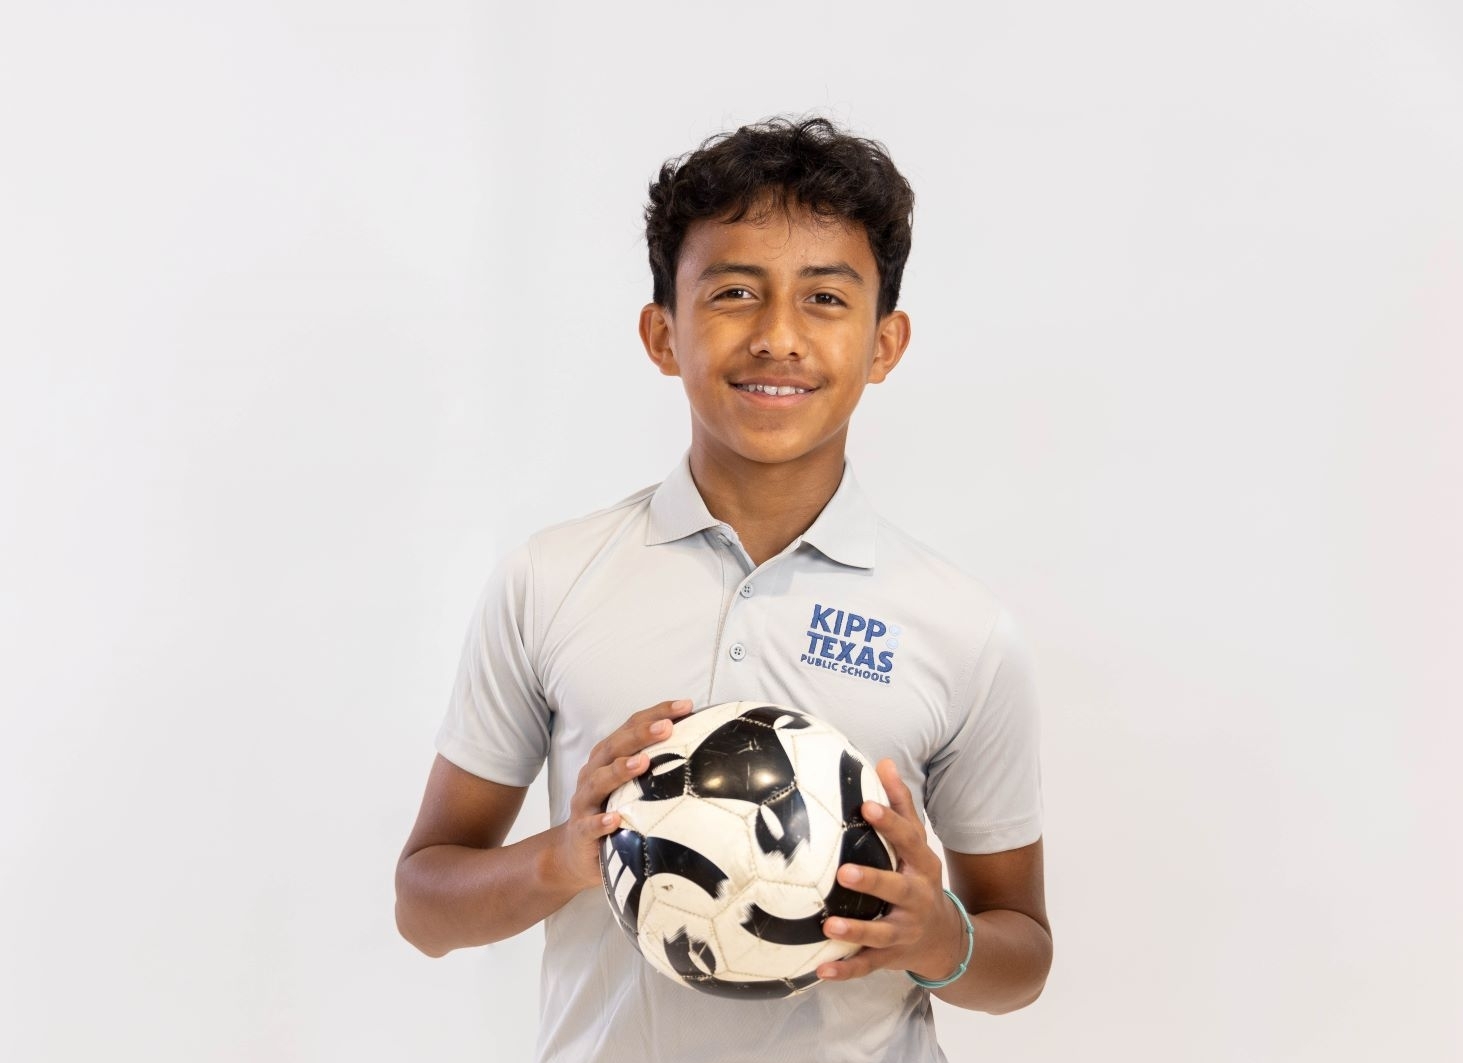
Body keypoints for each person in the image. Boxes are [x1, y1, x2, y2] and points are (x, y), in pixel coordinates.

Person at [395, 116, 1052, 1062]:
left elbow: (1020, 956)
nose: (778, 336)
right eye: (734, 292)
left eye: (825, 297)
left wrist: (940, 938)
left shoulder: (961, 627)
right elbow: (425, 907)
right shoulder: (550, 579)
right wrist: (563, 853)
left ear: (885, 342)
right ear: (663, 333)